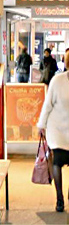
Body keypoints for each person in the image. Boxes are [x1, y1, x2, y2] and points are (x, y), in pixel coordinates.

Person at [38, 49, 69, 211]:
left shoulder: (57, 81)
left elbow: (47, 104)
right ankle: (63, 197)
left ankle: (60, 200)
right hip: (58, 132)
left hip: (57, 132)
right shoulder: (57, 80)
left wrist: (41, 125)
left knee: (57, 163)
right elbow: (47, 105)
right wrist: (41, 124)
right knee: (59, 161)